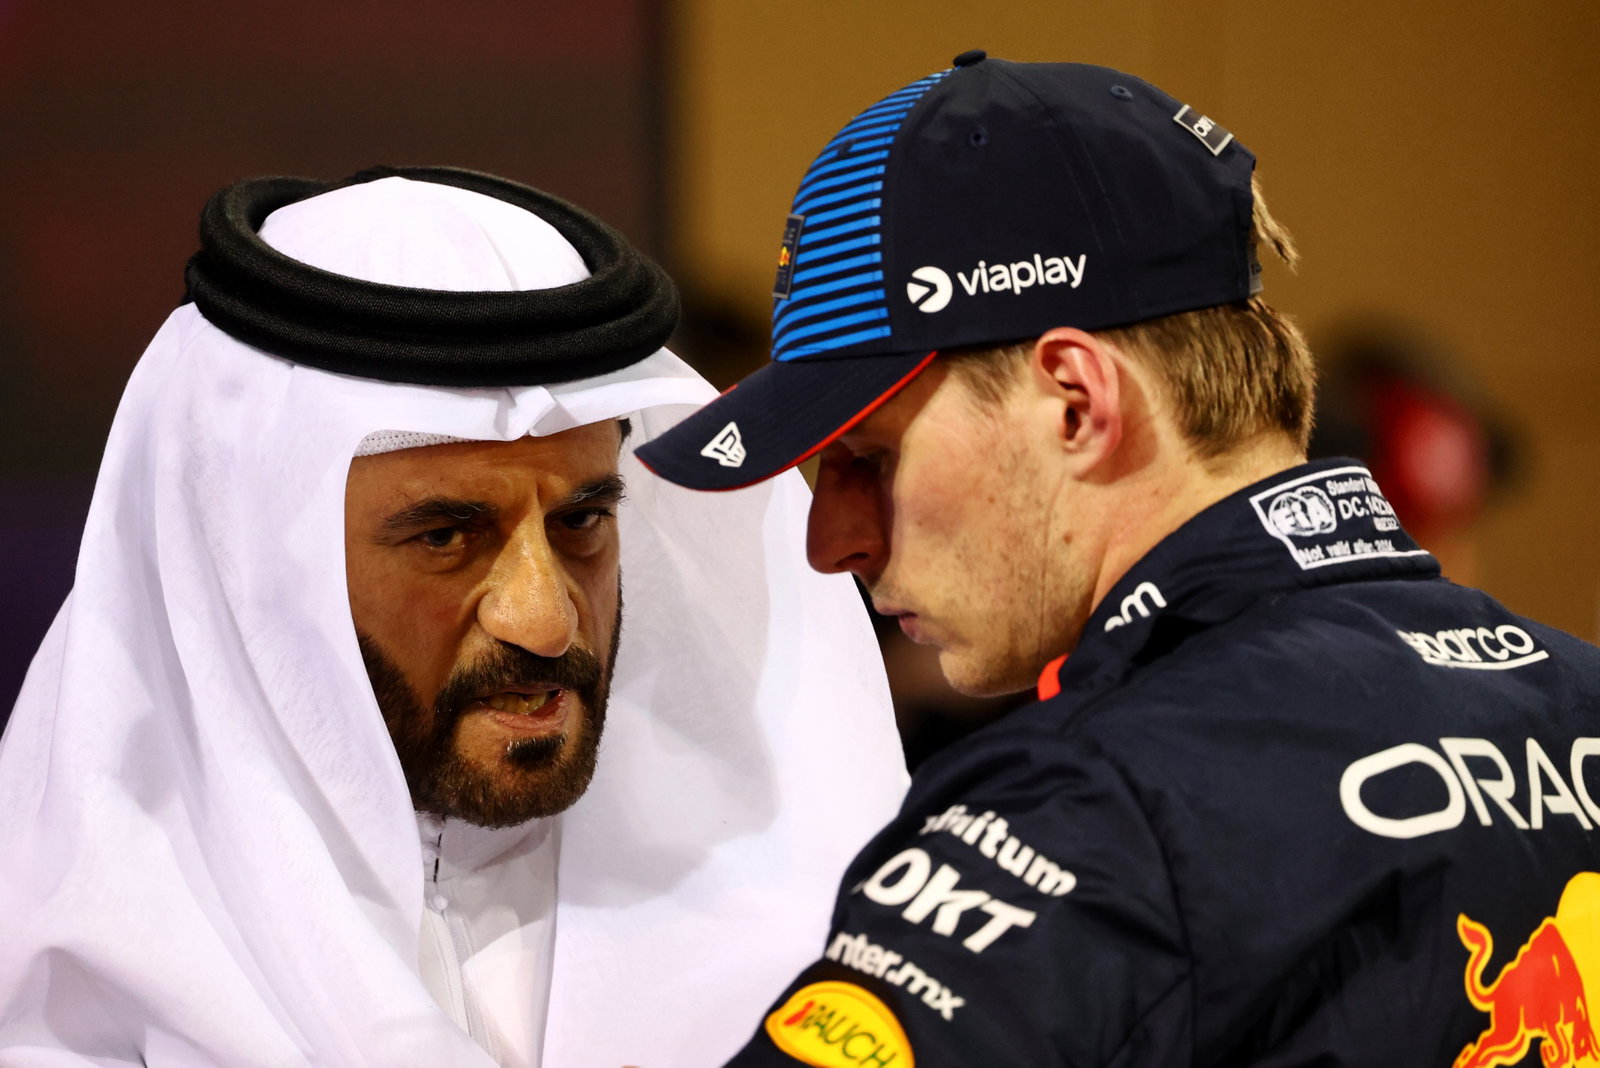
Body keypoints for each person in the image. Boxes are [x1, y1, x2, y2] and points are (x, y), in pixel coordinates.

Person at [637, 54, 1600, 1066]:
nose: (831, 542)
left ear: (1075, 404)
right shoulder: (1578, 700)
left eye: (866, 459)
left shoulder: (1088, 808)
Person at [0, 166, 908, 1066]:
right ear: (257, 575)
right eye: (445, 536)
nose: (547, 622)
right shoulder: (64, 994)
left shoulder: (830, 938)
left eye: (583, 522)